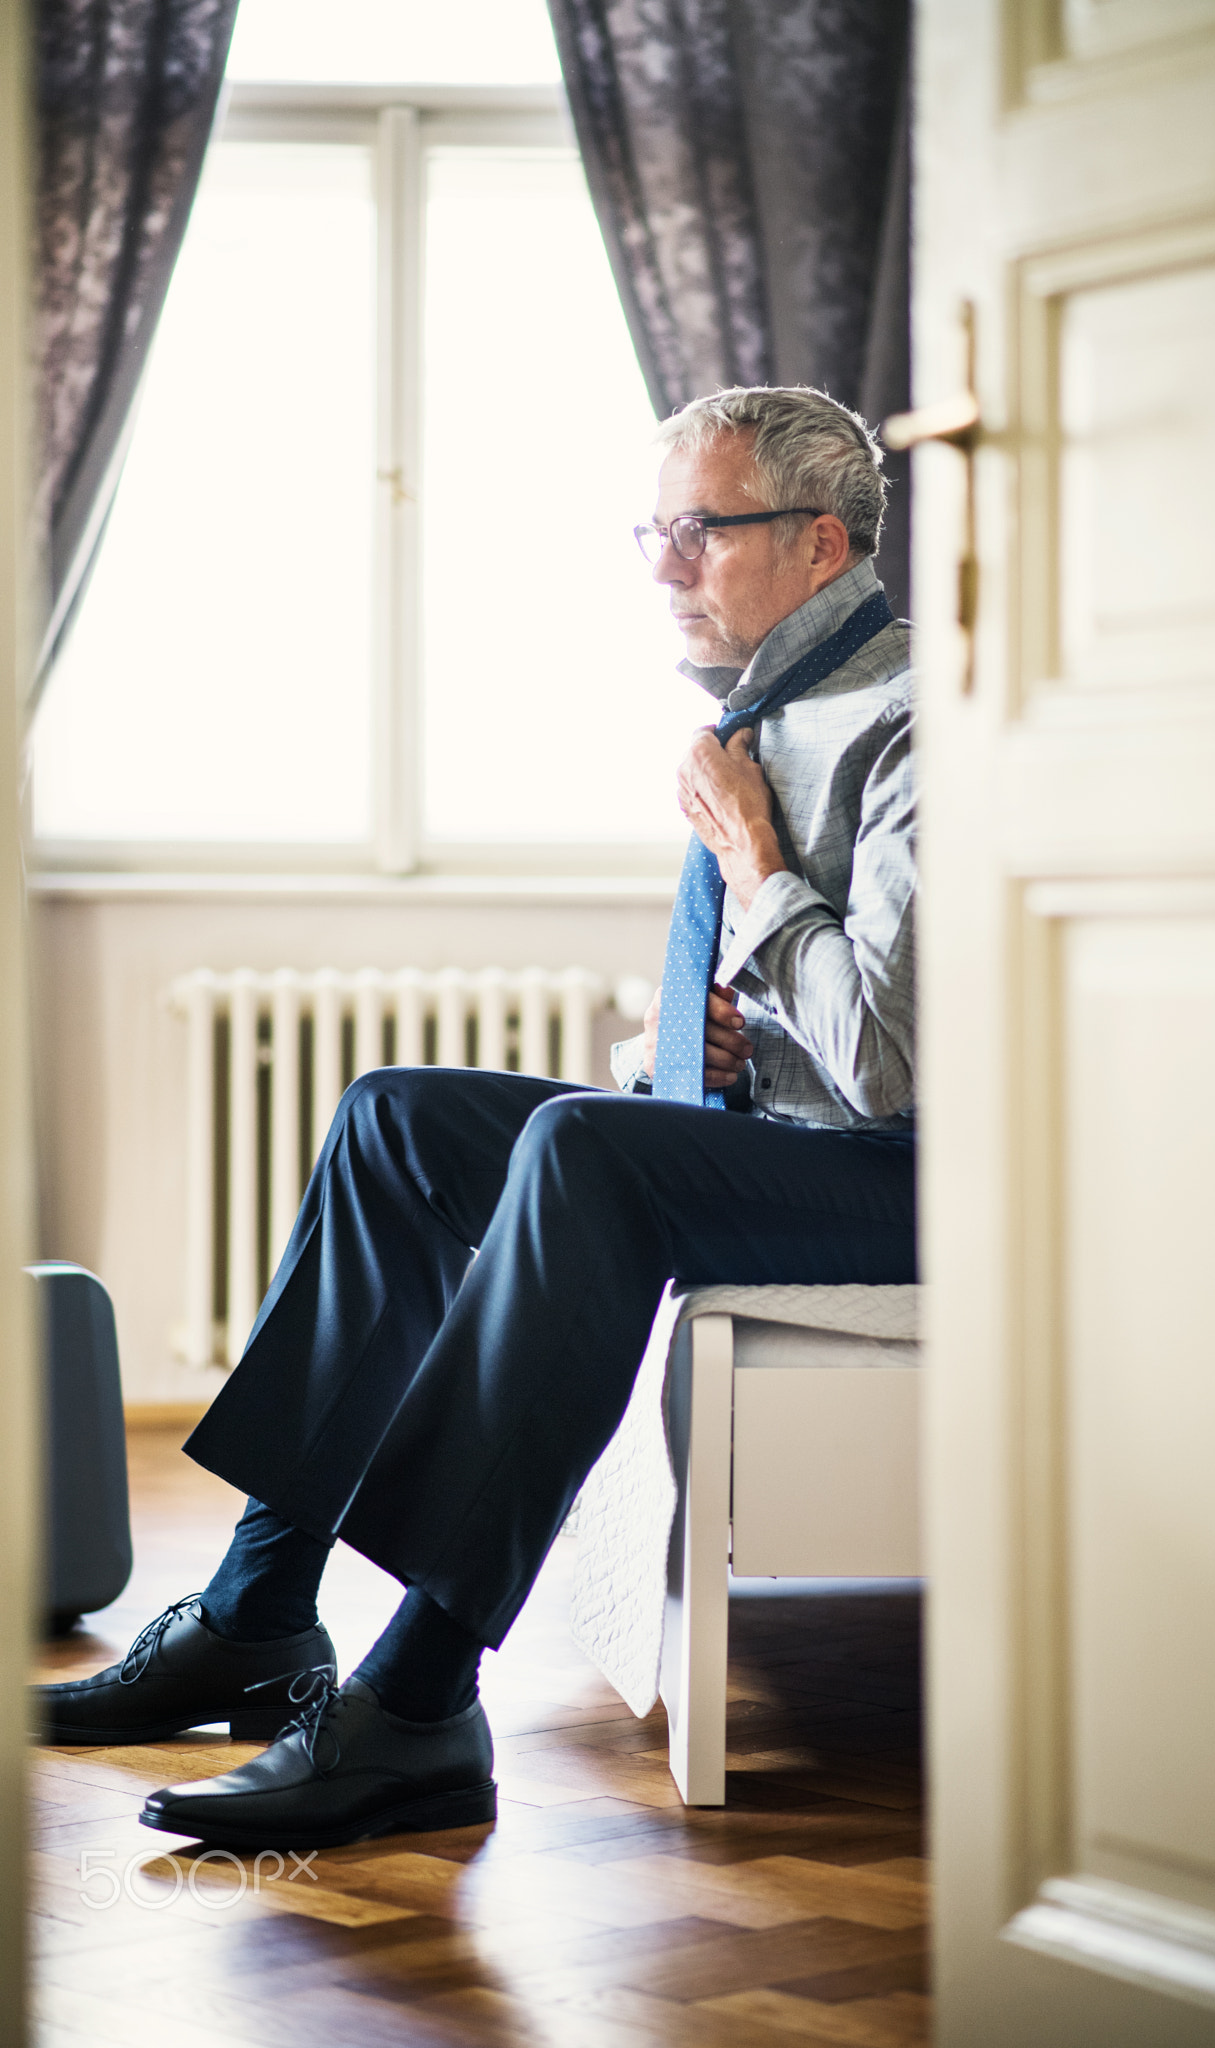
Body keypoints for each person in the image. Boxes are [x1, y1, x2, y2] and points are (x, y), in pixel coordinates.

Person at [34, 385, 918, 1851]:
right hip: (805, 1135)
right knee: (398, 1116)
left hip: (907, 1177)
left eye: (698, 530)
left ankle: (422, 1707)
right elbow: (786, 1025)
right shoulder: (760, 720)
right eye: (652, 530)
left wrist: (753, 858)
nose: (659, 567)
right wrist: (672, 1043)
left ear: (820, 543)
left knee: (578, 1149)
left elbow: (886, 1066)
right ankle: (257, 1612)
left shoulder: (907, 726)